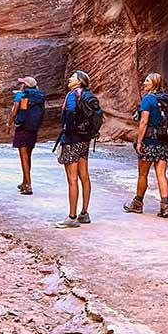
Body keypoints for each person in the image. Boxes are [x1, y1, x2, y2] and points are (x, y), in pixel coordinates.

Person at [124, 72, 168, 218]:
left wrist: (139, 141)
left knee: (143, 174)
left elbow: (143, 122)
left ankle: (137, 204)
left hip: (149, 141)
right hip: (164, 141)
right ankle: (165, 206)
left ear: (154, 83)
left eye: (147, 81)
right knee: (161, 174)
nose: (144, 82)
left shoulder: (148, 99)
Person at [54, 70, 100, 228]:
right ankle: (84, 213)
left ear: (79, 81)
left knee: (72, 179)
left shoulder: (72, 95)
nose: (69, 79)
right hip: (84, 140)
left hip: (72, 139)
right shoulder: (88, 95)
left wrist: (69, 130)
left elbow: (70, 113)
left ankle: (72, 217)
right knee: (84, 176)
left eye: (72, 77)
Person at [9, 76, 46, 194]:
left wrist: (8, 124)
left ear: (26, 85)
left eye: (23, 83)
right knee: (28, 156)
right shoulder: (40, 97)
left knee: (23, 157)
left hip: (23, 128)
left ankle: (28, 185)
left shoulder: (21, 96)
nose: (21, 85)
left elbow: (14, 111)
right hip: (33, 129)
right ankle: (24, 181)